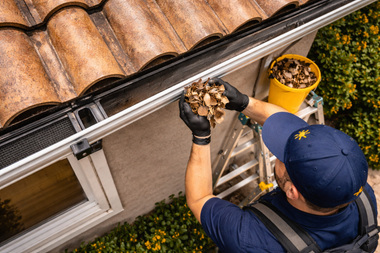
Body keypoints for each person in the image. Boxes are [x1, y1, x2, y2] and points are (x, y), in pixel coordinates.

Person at [178, 77, 377, 253]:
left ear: (292, 191)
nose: (275, 151)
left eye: (281, 156)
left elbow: (199, 198)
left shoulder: (250, 239)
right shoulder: (359, 192)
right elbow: (299, 135)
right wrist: (243, 102)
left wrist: (201, 136)